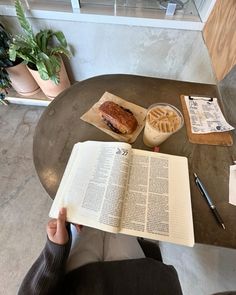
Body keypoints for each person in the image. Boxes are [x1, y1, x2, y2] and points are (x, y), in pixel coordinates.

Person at [18, 208, 183, 295]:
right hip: (140, 281)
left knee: (89, 218)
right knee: (120, 217)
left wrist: (55, 251)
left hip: (80, 281)